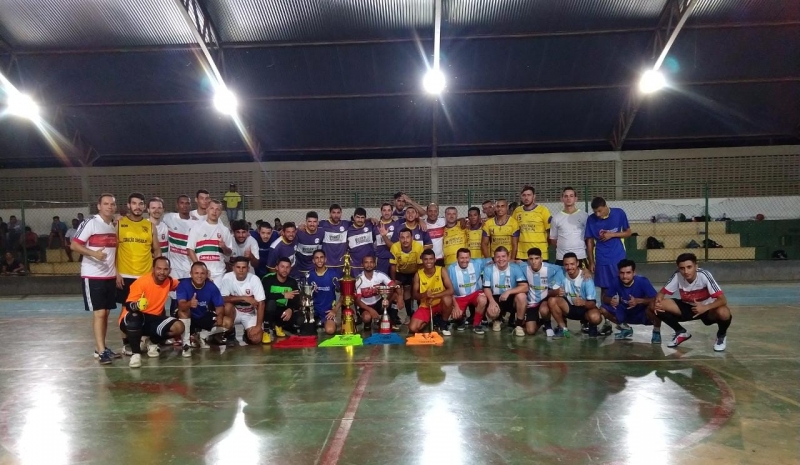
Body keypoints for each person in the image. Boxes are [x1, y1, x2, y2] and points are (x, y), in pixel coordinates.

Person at [71, 194, 120, 364]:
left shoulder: (113, 225)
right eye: (106, 204)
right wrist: (94, 254)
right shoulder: (91, 221)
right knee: (99, 313)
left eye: (112, 204)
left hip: (109, 275)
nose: (109, 207)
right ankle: (100, 351)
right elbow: (74, 244)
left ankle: (101, 347)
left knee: (105, 313)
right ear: (99, 206)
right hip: (93, 275)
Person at [654, 253, 732, 351]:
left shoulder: (704, 275)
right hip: (688, 307)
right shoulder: (677, 275)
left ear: (696, 266)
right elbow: (661, 293)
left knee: (724, 312)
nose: (686, 271)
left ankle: (721, 335)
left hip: (707, 309)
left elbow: (723, 300)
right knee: (657, 306)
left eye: (689, 267)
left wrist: (705, 308)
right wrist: (658, 301)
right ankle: (680, 332)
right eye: (682, 268)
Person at [120, 256, 183, 368]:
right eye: (159, 268)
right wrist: (137, 305)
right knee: (134, 316)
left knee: (179, 327)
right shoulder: (141, 282)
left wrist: (204, 279)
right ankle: (136, 354)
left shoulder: (169, 281)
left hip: (154, 320)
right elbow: (129, 305)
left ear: (169, 271)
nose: (162, 272)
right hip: (133, 319)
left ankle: (151, 342)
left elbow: (184, 283)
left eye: (165, 269)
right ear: (153, 269)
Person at [116, 192, 160, 306]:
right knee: (127, 309)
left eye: (140, 204)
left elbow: (157, 250)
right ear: (128, 205)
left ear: (144, 207)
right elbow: (113, 251)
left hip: (145, 275)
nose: (137, 207)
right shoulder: (119, 224)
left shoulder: (150, 226)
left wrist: (157, 270)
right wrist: (116, 273)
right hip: (124, 275)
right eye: (134, 203)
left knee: (145, 307)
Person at [175, 262, 230, 353]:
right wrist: (190, 304)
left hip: (203, 316)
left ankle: (201, 335)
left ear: (206, 274)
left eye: (202, 273)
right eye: (196, 273)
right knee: (184, 311)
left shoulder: (211, 287)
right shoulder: (183, 285)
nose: (199, 276)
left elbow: (219, 305)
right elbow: (181, 306)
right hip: (187, 318)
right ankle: (186, 344)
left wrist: (220, 316)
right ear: (191, 274)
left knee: (228, 322)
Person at [601, 259, 660, 342]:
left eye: (628, 272)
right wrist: (611, 300)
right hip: (625, 311)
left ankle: (656, 332)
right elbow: (605, 298)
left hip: (641, 312)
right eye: (622, 273)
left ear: (634, 272)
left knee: (657, 306)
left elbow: (656, 299)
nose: (625, 276)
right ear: (618, 273)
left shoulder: (642, 281)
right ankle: (625, 328)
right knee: (603, 309)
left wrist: (640, 301)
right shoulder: (615, 281)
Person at [585, 197, 631, 302]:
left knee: (623, 284)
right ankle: (606, 314)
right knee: (605, 288)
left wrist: (613, 234)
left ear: (606, 206)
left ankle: (623, 312)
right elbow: (590, 241)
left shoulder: (619, 213)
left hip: (618, 256)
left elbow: (628, 232)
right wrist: (591, 262)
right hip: (601, 258)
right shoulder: (591, 219)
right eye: (595, 212)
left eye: (600, 211)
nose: (597, 214)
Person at [549, 253, 604, 337]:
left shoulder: (586, 278)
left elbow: (592, 303)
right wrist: (556, 292)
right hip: (568, 308)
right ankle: (563, 329)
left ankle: (591, 326)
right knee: (552, 300)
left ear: (577, 263)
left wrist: (583, 303)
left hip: (585, 309)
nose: (569, 267)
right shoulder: (561, 273)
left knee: (595, 317)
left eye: (572, 264)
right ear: (563, 265)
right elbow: (549, 292)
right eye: (566, 264)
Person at [163, 195, 197, 315]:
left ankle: (190, 327)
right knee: (175, 297)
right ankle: (173, 324)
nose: (184, 206)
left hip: (189, 267)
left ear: (190, 205)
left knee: (189, 298)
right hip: (175, 268)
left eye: (187, 203)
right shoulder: (169, 218)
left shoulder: (196, 223)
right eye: (182, 203)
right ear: (177, 205)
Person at [219, 257, 266, 345]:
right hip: (234, 312)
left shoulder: (254, 279)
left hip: (250, 313)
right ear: (233, 268)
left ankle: (247, 333)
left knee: (256, 339)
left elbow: (261, 304)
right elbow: (222, 299)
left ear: (248, 269)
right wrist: (244, 298)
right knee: (227, 306)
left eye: (244, 267)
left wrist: (258, 326)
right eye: (238, 267)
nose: (241, 270)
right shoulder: (227, 277)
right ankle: (230, 333)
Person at [482, 246, 528, 333]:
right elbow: (486, 288)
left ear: (508, 257)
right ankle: (497, 320)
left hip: (511, 298)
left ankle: (518, 325)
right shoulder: (488, 269)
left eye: (503, 256)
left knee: (522, 296)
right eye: (498, 257)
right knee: (492, 312)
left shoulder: (515, 268)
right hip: (496, 298)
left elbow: (525, 287)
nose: (501, 259)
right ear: (494, 258)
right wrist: (491, 301)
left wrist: (509, 291)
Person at [410, 249, 455, 335]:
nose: (428, 261)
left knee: (447, 299)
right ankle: (433, 320)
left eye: (431, 259)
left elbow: (451, 290)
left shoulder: (442, 270)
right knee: (413, 328)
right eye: (426, 259)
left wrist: (434, 296)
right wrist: (424, 295)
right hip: (426, 305)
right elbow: (414, 295)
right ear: (422, 260)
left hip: (440, 303)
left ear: (435, 260)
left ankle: (443, 324)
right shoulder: (418, 275)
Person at [187, 200, 233, 283]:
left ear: (220, 212)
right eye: (212, 208)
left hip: (219, 273)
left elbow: (229, 253)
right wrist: (199, 269)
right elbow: (190, 249)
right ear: (207, 210)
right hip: (200, 274)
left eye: (217, 209)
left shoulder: (225, 230)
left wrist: (224, 247)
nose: (214, 211)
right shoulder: (197, 227)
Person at [354, 254, 403, 331]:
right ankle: (368, 323)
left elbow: (395, 286)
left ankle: (392, 320)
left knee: (395, 295)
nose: (369, 265)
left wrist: (400, 297)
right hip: (366, 306)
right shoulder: (358, 280)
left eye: (371, 262)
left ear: (374, 264)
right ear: (362, 265)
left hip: (379, 302)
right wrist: (371, 310)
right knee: (367, 318)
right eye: (366, 262)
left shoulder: (380, 275)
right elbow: (358, 301)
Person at [520, 248, 560, 337]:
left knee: (544, 309)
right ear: (528, 260)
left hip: (545, 299)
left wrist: (585, 270)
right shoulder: (524, 267)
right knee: (530, 331)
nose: (534, 261)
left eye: (537, 258)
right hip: (532, 302)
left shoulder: (551, 268)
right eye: (531, 259)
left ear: (541, 259)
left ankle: (548, 325)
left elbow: (565, 268)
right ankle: (540, 321)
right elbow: (513, 263)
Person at [447, 248, 489, 334]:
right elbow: (448, 289)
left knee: (483, 300)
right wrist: (455, 307)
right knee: (456, 315)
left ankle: (476, 324)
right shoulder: (451, 269)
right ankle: (460, 320)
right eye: (462, 258)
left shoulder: (477, 263)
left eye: (467, 258)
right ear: (457, 258)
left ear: (470, 257)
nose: (464, 260)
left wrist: (513, 261)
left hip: (474, 294)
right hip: (459, 297)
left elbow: (494, 259)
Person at [261, 257, 304, 338]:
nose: (285, 270)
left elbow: (296, 300)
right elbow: (264, 296)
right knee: (271, 303)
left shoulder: (292, 282)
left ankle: (279, 326)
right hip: (268, 312)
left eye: (287, 267)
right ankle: (266, 330)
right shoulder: (268, 279)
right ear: (276, 267)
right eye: (282, 266)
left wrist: (291, 309)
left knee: (300, 319)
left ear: (290, 269)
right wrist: (283, 295)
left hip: (282, 312)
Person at [389, 228, 424, 320]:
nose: (405, 240)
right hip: (400, 272)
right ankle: (397, 316)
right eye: (402, 238)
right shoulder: (395, 247)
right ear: (399, 238)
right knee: (394, 291)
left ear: (412, 238)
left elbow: (421, 266)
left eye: (407, 237)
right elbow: (393, 267)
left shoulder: (418, 246)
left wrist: (418, 279)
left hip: (415, 271)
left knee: (419, 290)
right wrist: (394, 283)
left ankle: (422, 314)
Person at [549, 187, 589, 266]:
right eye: (566, 196)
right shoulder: (556, 218)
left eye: (571, 196)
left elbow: (588, 238)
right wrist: (564, 247)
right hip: (562, 257)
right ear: (562, 199)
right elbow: (553, 239)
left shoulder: (584, 216)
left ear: (575, 199)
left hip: (580, 256)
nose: (568, 198)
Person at [306, 250, 341, 335]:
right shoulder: (309, 276)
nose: (319, 260)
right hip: (314, 310)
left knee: (330, 330)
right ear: (313, 261)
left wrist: (335, 310)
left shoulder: (333, 275)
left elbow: (343, 295)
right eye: (317, 258)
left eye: (321, 257)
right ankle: (316, 321)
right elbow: (306, 297)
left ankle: (327, 322)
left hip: (328, 311)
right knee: (305, 330)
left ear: (325, 259)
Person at [513, 186, 551, 262]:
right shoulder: (517, 211)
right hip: (522, 254)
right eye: (524, 195)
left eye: (529, 195)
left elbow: (549, 232)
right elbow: (513, 231)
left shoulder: (543, 210)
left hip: (540, 254)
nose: (526, 198)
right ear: (521, 197)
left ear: (534, 196)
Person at [319, 204, 351, 279]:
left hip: (341, 264)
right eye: (333, 212)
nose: (336, 215)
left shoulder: (346, 224)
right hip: (327, 264)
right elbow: (311, 225)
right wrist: (303, 226)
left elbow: (359, 221)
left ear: (341, 213)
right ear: (330, 213)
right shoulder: (323, 224)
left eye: (338, 213)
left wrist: (370, 219)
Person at [346, 207, 376, 276]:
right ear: (354, 217)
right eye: (358, 217)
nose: (360, 220)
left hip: (369, 265)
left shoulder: (370, 225)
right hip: (355, 266)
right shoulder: (348, 229)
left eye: (362, 217)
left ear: (365, 218)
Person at [295, 211, 325, 276]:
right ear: (306, 222)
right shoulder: (299, 232)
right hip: (300, 268)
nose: (312, 224)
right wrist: (297, 226)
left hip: (314, 268)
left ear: (318, 223)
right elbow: (284, 232)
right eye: (309, 221)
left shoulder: (322, 232)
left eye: (314, 222)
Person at [374, 203, 397, 275]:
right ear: (381, 212)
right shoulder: (375, 226)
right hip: (381, 260)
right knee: (382, 284)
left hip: (394, 258)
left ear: (392, 212)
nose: (386, 213)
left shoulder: (397, 225)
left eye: (389, 210)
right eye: (384, 210)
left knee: (395, 283)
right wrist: (370, 218)